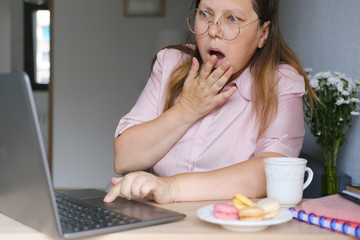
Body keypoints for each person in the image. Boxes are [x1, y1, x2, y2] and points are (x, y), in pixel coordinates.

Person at [104, 0, 317, 204]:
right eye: (205, 14)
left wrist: (173, 188)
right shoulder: (171, 63)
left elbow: (271, 172)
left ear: (262, 33)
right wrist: (187, 109)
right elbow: (125, 159)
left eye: (232, 18)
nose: (213, 30)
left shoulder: (281, 83)